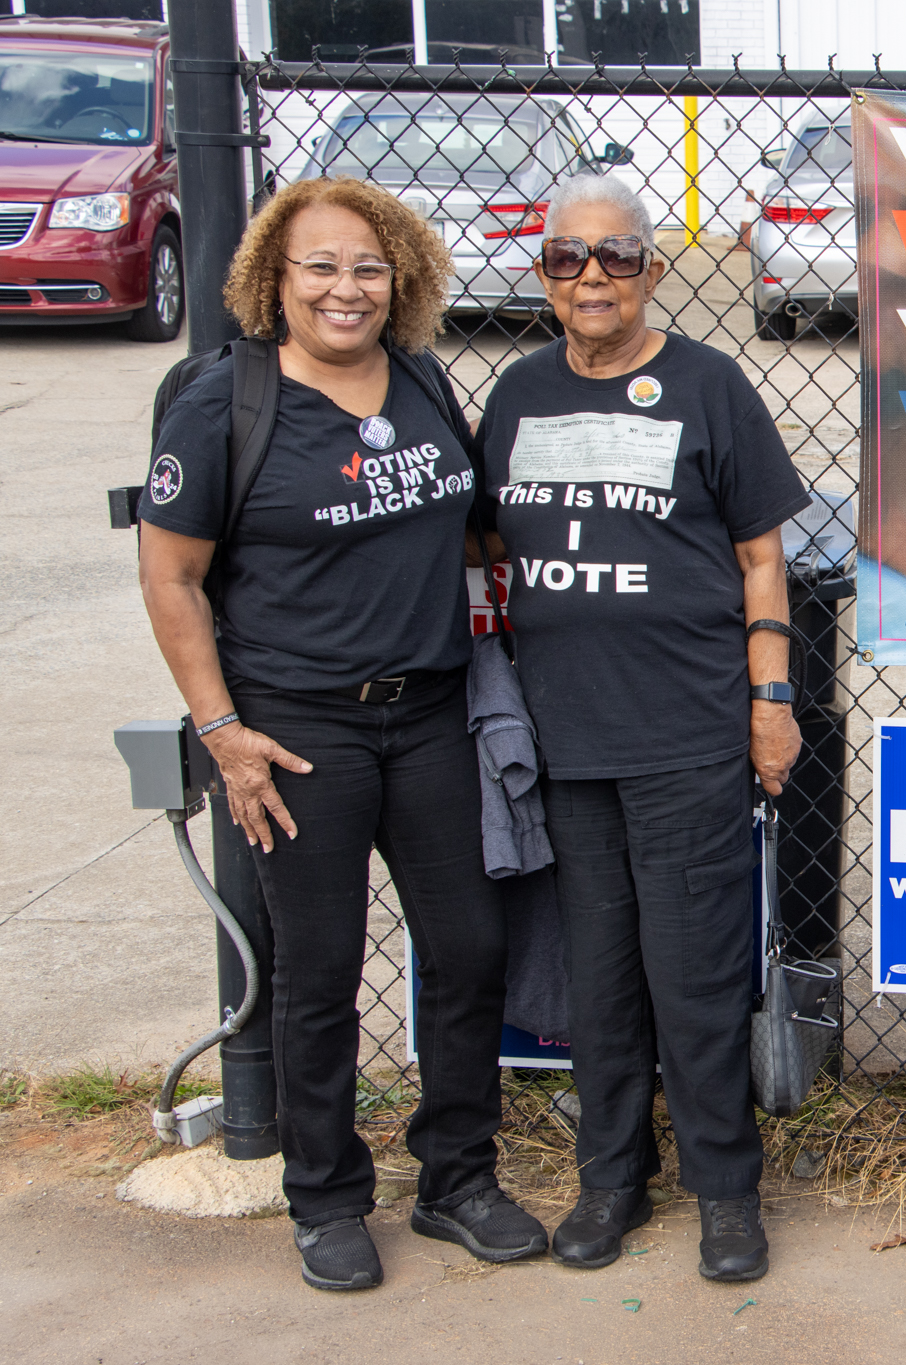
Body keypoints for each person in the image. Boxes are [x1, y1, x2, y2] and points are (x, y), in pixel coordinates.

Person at [138, 179, 549, 1292]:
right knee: (316, 977)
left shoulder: (419, 377)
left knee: (468, 954)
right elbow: (170, 576)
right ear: (275, 278)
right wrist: (222, 731)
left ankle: (458, 1179)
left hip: (428, 718)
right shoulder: (227, 404)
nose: (345, 287)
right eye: (320, 266)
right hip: (295, 735)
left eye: (368, 267)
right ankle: (323, 1198)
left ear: (400, 279)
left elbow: (470, 529)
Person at [475, 174, 809, 1282]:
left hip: (686, 737)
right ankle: (610, 1180)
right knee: (598, 982)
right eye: (569, 258)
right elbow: (486, 548)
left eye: (615, 256)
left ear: (651, 270)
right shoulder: (517, 397)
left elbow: (763, 557)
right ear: (543, 275)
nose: (593, 278)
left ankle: (724, 1191)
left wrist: (770, 702)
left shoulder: (710, 388)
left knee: (694, 980)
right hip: (562, 746)